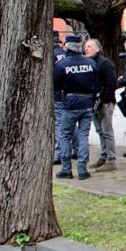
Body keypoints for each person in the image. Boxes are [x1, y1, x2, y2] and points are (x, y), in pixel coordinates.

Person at [54, 35, 99, 180]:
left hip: (69, 103)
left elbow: (56, 85)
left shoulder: (62, 64)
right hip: (87, 103)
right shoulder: (91, 63)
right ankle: (82, 169)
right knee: (83, 136)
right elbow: (97, 84)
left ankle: (66, 169)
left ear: (67, 46)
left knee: (65, 135)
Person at [83, 38, 117, 171]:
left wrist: (106, 100)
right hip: (94, 102)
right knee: (100, 131)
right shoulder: (89, 62)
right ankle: (104, 156)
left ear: (97, 48)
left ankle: (111, 159)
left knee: (107, 131)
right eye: (85, 46)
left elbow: (111, 82)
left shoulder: (104, 63)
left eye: (89, 46)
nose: (86, 49)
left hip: (104, 102)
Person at [52, 31, 77, 165]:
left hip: (58, 95)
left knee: (60, 125)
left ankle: (59, 154)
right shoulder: (64, 54)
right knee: (71, 123)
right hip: (69, 93)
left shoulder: (51, 55)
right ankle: (77, 150)